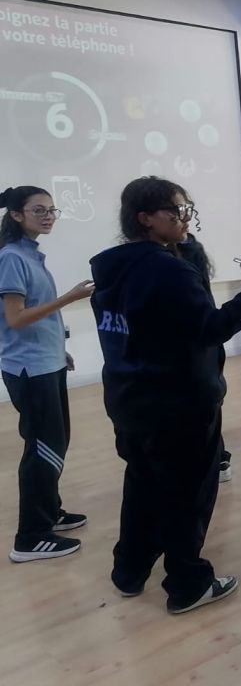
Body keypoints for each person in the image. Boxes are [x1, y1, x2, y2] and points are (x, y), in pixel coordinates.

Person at [90, 176, 241, 614]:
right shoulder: (168, 271)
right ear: (145, 218)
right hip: (177, 405)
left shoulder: (111, 269)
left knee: (142, 485)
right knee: (186, 493)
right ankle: (187, 583)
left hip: (128, 400)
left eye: (185, 210)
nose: (184, 219)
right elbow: (211, 328)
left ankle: (129, 571)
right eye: (175, 211)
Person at [1, 186, 92, 563]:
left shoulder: (29, 254)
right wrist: (69, 298)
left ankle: (49, 512)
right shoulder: (11, 257)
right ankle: (30, 538)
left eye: (52, 210)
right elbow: (16, 318)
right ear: (16, 215)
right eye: (39, 210)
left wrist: (58, 349)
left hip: (45, 361)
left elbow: (36, 314)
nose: (49, 216)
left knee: (54, 442)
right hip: (29, 368)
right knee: (43, 448)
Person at [178, 231, 236, 483]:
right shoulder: (188, 253)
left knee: (205, 403)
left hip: (198, 345)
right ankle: (216, 458)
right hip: (202, 345)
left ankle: (217, 459)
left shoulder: (188, 255)